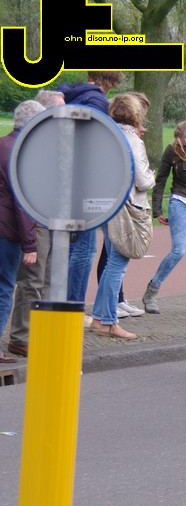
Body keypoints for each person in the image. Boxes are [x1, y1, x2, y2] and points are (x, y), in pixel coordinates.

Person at [55, 71, 124, 310]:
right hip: (83, 182)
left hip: (60, 179)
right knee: (85, 249)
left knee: (65, 246)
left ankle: (59, 301)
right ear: (110, 82)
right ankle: (72, 306)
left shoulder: (67, 94)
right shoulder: (98, 102)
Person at [88, 94, 154, 340]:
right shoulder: (133, 141)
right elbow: (143, 180)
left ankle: (99, 317)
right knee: (117, 263)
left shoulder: (105, 135)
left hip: (105, 204)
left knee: (110, 262)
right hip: (126, 207)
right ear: (136, 114)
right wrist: (152, 175)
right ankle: (108, 321)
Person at [7, 91, 64, 358]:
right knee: (32, 280)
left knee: (46, 279)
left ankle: (39, 332)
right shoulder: (26, 146)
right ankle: (21, 337)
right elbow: (24, 194)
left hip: (49, 219)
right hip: (36, 221)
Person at [141, 120, 186, 317]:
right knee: (179, 250)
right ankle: (151, 293)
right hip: (180, 200)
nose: (183, 150)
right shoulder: (171, 150)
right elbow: (161, 180)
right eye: (180, 146)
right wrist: (157, 210)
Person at [0, 100, 43, 363]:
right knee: (4, 288)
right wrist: (30, 244)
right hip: (7, 231)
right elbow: (23, 203)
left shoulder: (2, 144)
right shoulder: (22, 154)